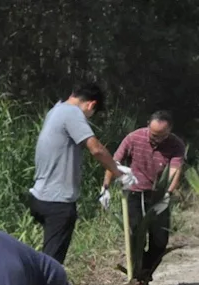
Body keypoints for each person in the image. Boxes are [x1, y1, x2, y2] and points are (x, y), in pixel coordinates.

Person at [27, 82, 136, 264]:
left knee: (48, 257)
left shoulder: (55, 110)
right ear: (91, 105)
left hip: (40, 196)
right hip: (58, 201)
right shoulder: (73, 113)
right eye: (92, 114)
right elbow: (96, 149)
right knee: (52, 263)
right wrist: (119, 173)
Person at [100, 110, 186, 285]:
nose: (155, 139)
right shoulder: (133, 138)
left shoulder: (175, 145)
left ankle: (144, 275)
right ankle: (135, 277)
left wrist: (168, 192)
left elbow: (174, 171)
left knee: (160, 240)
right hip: (134, 193)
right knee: (134, 236)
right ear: (148, 125)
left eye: (161, 136)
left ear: (169, 131)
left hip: (158, 196)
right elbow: (114, 161)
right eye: (153, 134)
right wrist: (105, 186)